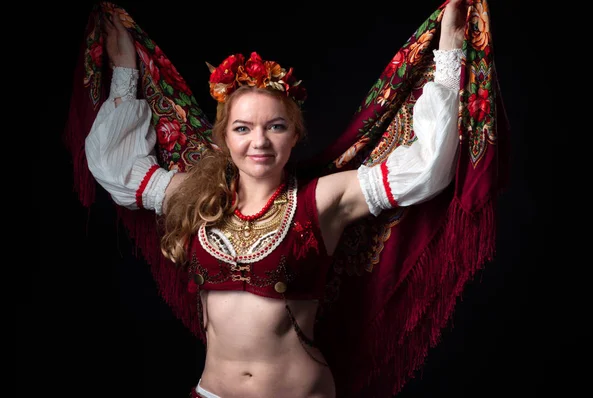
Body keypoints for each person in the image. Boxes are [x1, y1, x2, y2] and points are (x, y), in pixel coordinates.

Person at [74, 0, 504, 397]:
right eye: (242, 128)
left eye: (275, 126)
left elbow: (428, 166)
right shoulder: (194, 194)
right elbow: (116, 167)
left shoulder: (324, 199)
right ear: (223, 139)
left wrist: (449, 50)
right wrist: (125, 74)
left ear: (294, 134)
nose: (258, 141)